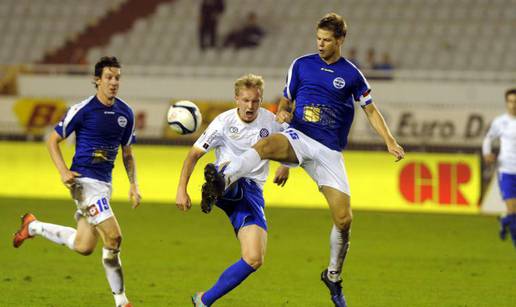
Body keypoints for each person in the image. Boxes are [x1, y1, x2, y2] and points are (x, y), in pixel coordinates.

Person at [201, 13, 405, 307]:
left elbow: (371, 111)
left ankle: (333, 276)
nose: (320, 44)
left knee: (344, 219)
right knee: (267, 144)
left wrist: (390, 141)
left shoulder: (351, 75)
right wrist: (283, 113)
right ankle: (224, 178)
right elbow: (285, 102)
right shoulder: (301, 65)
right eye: (318, 39)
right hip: (299, 137)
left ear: (340, 40)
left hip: (329, 152)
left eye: (326, 40)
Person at [12, 56, 141, 307]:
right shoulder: (83, 110)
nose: (114, 82)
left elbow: (128, 152)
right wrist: (63, 172)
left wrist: (133, 184)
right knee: (113, 237)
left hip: (104, 185)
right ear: (97, 80)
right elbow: (52, 140)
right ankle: (122, 301)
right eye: (108, 77)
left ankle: (33, 226)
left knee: (83, 246)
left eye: (117, 78)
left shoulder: (126, 113)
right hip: (83, 182)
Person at [175, 74, 288, 306]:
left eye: (255, 101)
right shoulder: (223, 123)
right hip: (227, 181)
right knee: (229, 173)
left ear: (261, 99)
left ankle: (203, 300)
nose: (250, 106)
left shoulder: (271, 121)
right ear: (236, 99)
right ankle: (219, 183)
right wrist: (181, 190)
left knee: (254, 258)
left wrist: (285, 166)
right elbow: (194, 154)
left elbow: (291, 140)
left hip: (252, 193)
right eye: (245, 100)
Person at [482, 88, 516, 247]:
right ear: (506, 103)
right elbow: (488, 138)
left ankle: (504, 220)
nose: (513, 105)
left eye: (515, 102)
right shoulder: (500, 122)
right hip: (507, 172)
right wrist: (487, 153)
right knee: (514, 213)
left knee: (512, 214)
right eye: (510, 101)